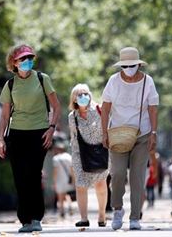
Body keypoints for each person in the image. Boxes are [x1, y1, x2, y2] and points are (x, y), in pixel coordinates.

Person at [0, 45, 61, 233]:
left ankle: (36, 218)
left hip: (39, 133)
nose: (27, 62)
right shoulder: (10, 85)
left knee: (33, 175)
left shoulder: (42, 79)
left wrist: (51, 129)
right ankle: (24, 219)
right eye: (22, 59)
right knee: (20, 177)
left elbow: (56, 107)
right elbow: (4, 115)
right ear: (14, 63)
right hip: (16, 134)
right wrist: (1, 139)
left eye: (29, 58)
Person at [101, 47, 159, 231]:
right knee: (117, 173)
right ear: (121, 66)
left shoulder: (147, 81)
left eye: (132, 65)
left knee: (137, 177)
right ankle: (117, 209)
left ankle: (135, 217)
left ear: (139, 64)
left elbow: (153, 108)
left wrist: (154, 133)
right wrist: (104, 133)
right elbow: (106, 107)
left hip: (141, 134)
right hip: (118, 134)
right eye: (125, 65)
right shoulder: (113, 81)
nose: (129, 68)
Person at [67, 83, 109, 227]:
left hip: (100, 152)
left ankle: (102, 215)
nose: (84, 97)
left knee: (100, 184)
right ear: (74, 99)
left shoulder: (98, 109)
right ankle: (84, 218)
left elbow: (108, 127)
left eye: (86, 93)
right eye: (80, 95)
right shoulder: (72, 117)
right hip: (80, 153)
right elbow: (73, 137)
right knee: (80, 185)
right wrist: (74, 159)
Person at [52, 142, 74, 219]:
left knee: (60, 196)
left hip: (59, 179)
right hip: (68, 179)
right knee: (67, 194)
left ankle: (62, 211)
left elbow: (55, 171)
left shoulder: (56, 158)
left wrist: (54, 181)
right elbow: (72, 169)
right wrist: (73, 179)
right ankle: (70, 206)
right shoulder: (69, 157)